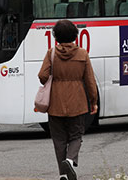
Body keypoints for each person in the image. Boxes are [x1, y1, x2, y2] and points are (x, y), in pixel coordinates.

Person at [38, 19, 98, 180]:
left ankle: (63, 174)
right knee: (76, 136)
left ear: (56, 36)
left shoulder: (51, 53)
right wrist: (93, 102)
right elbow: (90, 81)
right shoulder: (82, 54)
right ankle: (70, 161)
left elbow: (42, 76)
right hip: (77, 103)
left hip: (55, 103)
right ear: (74, 35)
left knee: (58, 140)